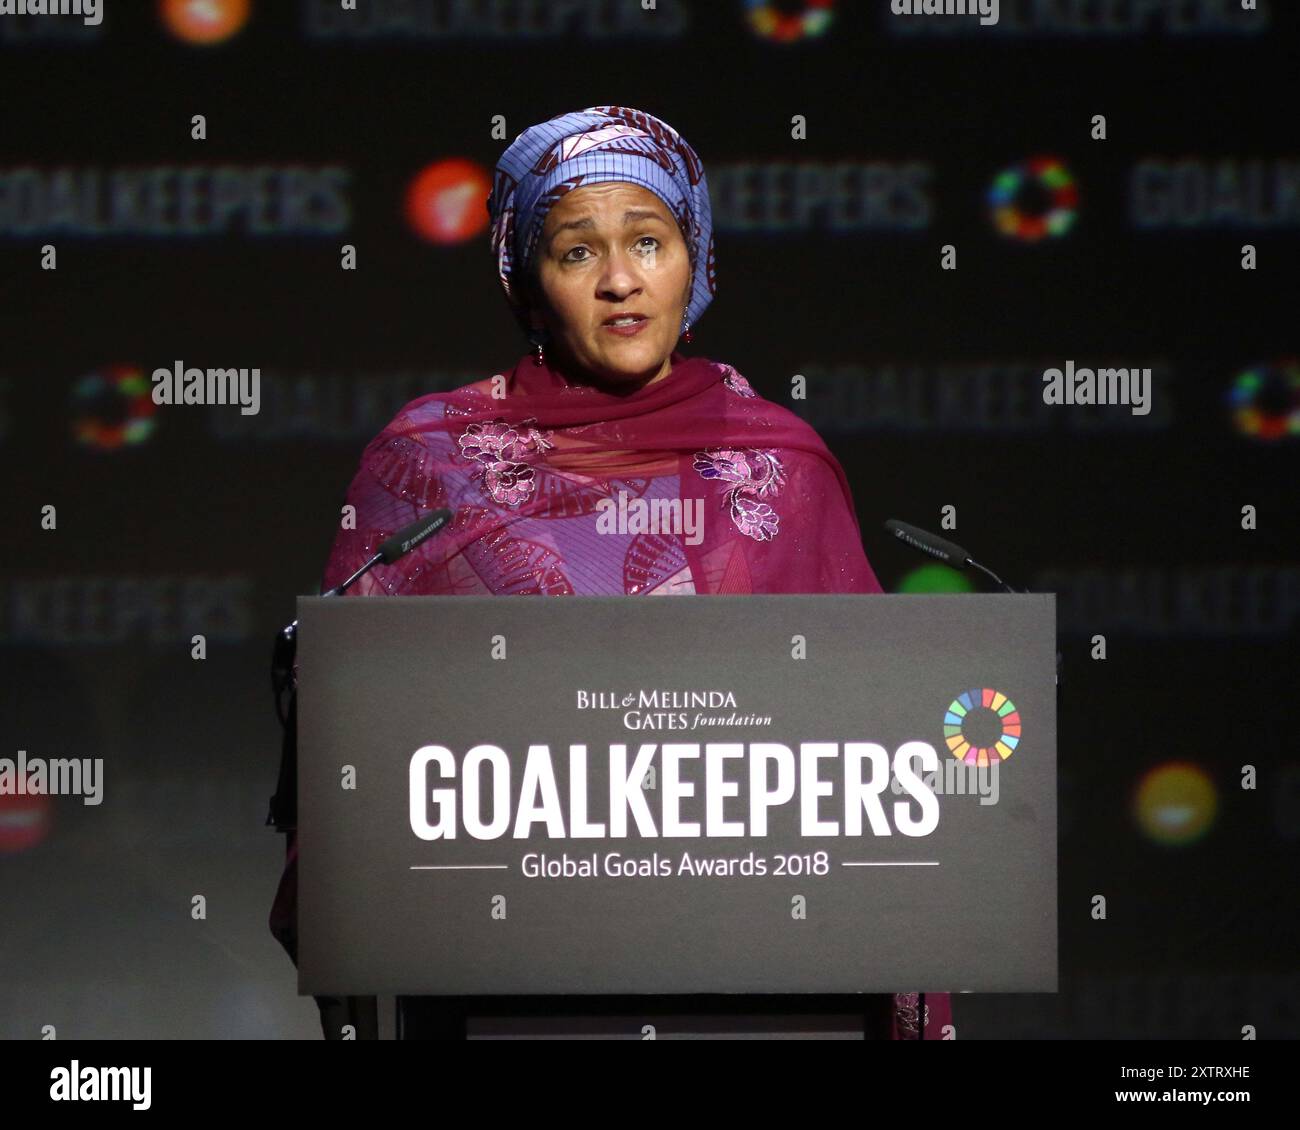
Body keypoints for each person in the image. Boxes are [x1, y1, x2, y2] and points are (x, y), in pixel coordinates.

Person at [269, 105, 953, 1041]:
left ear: (695, 256)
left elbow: (869, 745)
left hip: (759, 985)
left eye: (649, 240)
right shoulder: (433, 461)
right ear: (529, 279)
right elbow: (355, 741)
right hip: (495, 980)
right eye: (578, 252)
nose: (622, 281)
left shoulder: (783, 465)